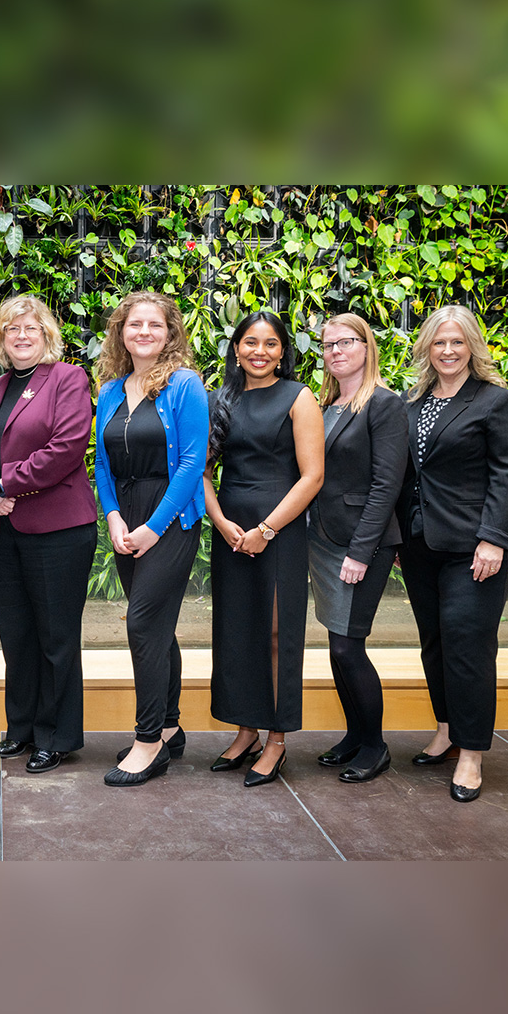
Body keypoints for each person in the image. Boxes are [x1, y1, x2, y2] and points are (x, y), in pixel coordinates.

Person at [396, 305, 508, 802]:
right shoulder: (414, 402)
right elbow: (405, 476)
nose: (448, 351)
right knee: (434, 641)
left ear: (473, 345)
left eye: (457, 342)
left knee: (468, 646)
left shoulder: (496, 401)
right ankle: (447, 729)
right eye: (439, 342)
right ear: (426, 347)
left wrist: (494, 537)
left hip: (475, 547)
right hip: (419, 543)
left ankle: (471, 754)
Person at [0, 294, 97, 774]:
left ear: (48, 336)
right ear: (1, 338)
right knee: (17, 635)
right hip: (4, 528)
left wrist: (2, 484)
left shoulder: (67, 379)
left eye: (32, 329)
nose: (22, 336)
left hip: (58, 528)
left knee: (55, 637)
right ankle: (20, 727)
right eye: (12, 330)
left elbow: (67, 446)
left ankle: (56, 736)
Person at [203, 309, 324, 786]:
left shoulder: (299, 397)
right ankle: (245, 730)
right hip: (230, 531)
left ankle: (276, 739)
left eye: (270, 343)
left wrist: (265, 530)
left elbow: (313, 477)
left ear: (282, 352)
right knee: (236, 631)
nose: (259, 351)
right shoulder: (221, 400)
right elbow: (202, 471)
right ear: (236, 349)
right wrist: (222, 523)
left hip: (280, 531)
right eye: (250, 342)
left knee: (275, 634)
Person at [95, 292, 209, 786]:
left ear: (169, 333)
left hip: (171, 518)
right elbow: (100, 461)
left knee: (142, 624)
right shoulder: (111, 390)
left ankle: (148, 743)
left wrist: (151, 527)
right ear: (121, 332)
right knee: (158, 624)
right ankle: (169, 724)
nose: (144, 331)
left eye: (154, 325)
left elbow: (191, 464)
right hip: (128, 517)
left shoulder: (185, 385)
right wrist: (115, 518)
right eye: (134, 324)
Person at [309, 314, 407, 783]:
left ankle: (374, 745)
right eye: (327, 345)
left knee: (349, 647)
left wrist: (361, 552)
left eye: (345, 342)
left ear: (367, 347)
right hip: (323, 539)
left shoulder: (384, 405)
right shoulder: (327, 404)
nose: (335, 352)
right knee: (336, 645)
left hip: (359, 543)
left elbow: (387, 485)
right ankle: (353, 736)